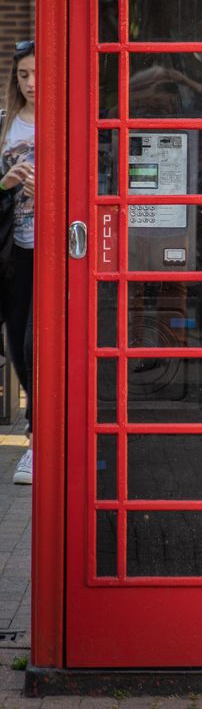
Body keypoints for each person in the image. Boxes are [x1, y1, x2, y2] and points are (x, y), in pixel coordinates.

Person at [0, 40, 36, 485]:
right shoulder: (6, 123)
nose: (30, 83)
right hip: (15, 253)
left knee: (34, 346)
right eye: (23, 75)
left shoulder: (66, 116)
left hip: (60, 249)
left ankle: (36, 441)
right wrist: (6, 182)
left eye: (36, 73)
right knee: (15, 348)